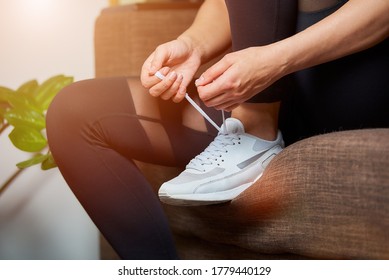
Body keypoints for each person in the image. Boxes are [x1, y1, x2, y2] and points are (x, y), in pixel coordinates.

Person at [46, 0, 389, 259]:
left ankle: (255, 128)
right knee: (74, 114)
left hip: (351, 80)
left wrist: (274, 61)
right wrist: (193, 44)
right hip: (276, 90)